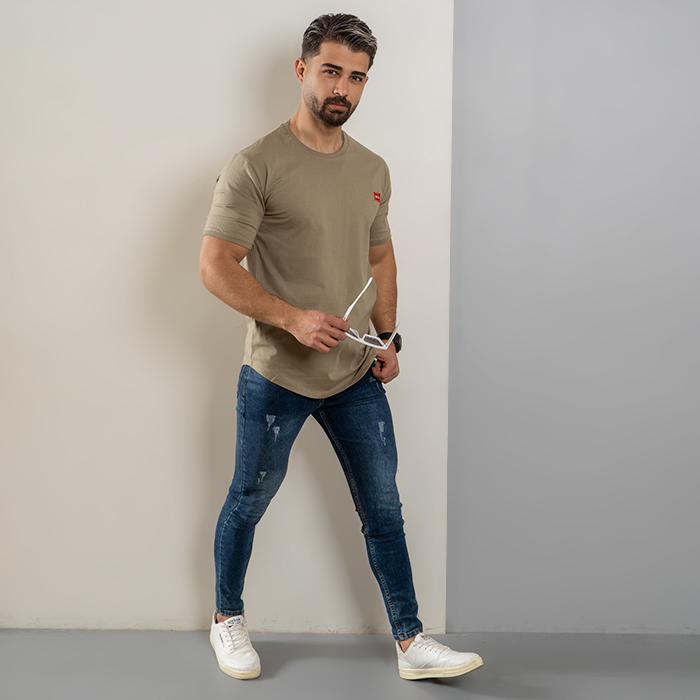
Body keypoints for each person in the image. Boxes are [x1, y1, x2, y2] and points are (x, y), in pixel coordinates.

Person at [199, 13, 483, 681]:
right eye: (331, 71)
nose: (343, 88)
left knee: (384, 509)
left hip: (353, 372)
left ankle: (411, 643)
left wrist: (387, 336)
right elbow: (215, 265)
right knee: (248, 499)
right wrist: (291, 319)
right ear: (302, 70)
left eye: (357, 77)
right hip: (276, 374)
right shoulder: (255, 164)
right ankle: (226, 618)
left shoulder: (372, 168)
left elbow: (380, 257)